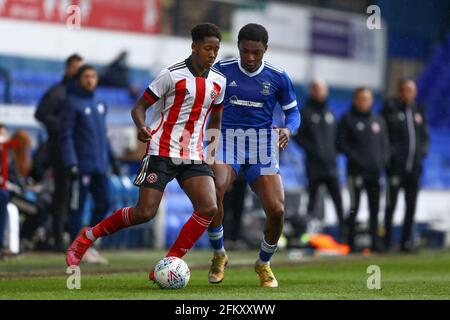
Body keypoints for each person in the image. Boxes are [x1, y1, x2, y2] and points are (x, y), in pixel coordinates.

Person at [65, 23, 226, 275]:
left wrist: (213, 153)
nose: (212, 54)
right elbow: (138, 107)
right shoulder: (171, 75)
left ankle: (167, 264)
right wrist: (141, 126)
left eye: (216, 49)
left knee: (208, 207)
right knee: (144, 213)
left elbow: (215, 120)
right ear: (194, 47)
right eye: (207, 48)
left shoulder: (219, 82)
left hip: (193, 154)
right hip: (161, 149)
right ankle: (88, 235)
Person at [206, 23, 300, 287]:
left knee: (277, 209)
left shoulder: (278, 76)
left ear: (265, 50)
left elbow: (293, 112)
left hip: (262, 146)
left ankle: (264, 262)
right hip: (226, 140)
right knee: (215, 192)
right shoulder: (221, 71)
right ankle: (219, 254)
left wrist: (289, 129)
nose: (249, 57)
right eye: (245, 51)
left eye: (255, 52)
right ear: (238, 47)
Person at [60, 64, 115, 264]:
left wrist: (112, 157)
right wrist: (71, 162)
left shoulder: (100, 102)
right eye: (86, 76)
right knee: (77, 207)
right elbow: (65, 136)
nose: (90, 80)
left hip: (100, 165)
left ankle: (88, 243)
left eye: (93, 76)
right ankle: (75, 248)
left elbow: (103, 135)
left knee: (104, 202)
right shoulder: (71, 103)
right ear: (79, 79)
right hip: (81, 166)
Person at [34, 54, 83, 251]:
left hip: (79, 151)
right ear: (68, 68)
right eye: (77, 67)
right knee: (61, 195)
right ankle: (57, 239)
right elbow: (41, 114)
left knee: (75, 196)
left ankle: (73, 237)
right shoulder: (58, 92)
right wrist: (64, 127)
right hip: (60, 149)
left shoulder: (79, 95)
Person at [337, 87, 389, 253]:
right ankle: (350, 243)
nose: (363, 101)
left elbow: (385, 145)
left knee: (375, 209)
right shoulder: (347, 119)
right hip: (356, 172)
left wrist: (382, 162)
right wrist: (358, 160)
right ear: (354, 100)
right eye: (360, 98)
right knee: (354, 208)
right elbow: (340, 144)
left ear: (372, 100)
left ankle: (376, 242)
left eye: (367, 98)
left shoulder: (378, 120)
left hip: (374, 173)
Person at [381, 79, 429, 252]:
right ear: (400, 91)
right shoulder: (390, 109)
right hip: (395, 168)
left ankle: (406, 242)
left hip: (414, 169)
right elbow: (384, 136)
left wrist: (422, 152)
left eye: (412, 90)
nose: (409, 93)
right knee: (390, 205)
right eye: (406, 90)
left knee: (411, 206)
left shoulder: (418, 110)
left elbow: (424, 136)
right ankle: (386, 242)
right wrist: (391, 157)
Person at [293, 80, 344, 237]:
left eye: (322, 89)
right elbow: (297, 136)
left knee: (338, 200)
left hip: (331, 165)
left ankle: (344, 232)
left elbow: (337, 137)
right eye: (316, 89)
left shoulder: (330, 113)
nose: (320, 92)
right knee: (312, 200)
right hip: (314, 166)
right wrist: (313, 150)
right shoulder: (306, 113)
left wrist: (334, 151)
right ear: (311, 92)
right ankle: (307, 233)